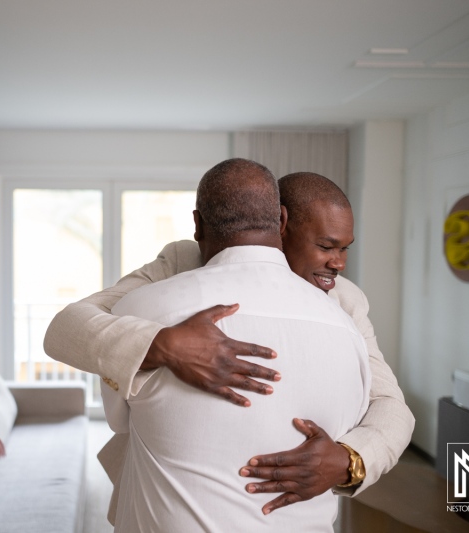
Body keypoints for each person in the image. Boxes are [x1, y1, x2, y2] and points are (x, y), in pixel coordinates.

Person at [44, 167, 415, 522]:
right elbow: (70, 325)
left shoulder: (346, 302)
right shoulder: (183, 261)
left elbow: (389, 404)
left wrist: (350, 460)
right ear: (280, 225)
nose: (339, 264)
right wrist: (163, 344)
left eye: (345, 249)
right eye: (326, 246)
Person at [104, 158, 370, 531]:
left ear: (197, 224)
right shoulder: (345, 330)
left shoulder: (141, 309)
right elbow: (357, 421)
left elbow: (119, 422)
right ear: (280, 221)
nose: (337, 263)